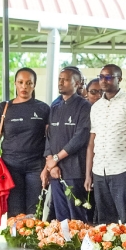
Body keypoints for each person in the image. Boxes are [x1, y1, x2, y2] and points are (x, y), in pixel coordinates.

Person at [84, 65, 126, 230]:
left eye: (109, 77)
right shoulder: (96, 107)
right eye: (101, 77)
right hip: (99, 171)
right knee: (104, 224)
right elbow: (92, 142)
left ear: (119, 79)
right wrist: (88, 174)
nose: (104, 80)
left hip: (123, 169)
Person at [0, 68, 49, 217]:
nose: (24, 86)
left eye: (28, 83)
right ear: (15, 84)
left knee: (35, 213)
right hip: (11, 167)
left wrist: (48, 166)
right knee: (15, 213)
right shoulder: (5, 107)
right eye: (20, 82)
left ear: (34, 85)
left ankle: (32, 241)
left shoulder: (43, 108)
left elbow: (50, 139)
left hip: (36, 167)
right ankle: (15, 241)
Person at [45, 67, 92, 222]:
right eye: (59, 79)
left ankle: (78, 246)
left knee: (77, 218)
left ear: (77, 83)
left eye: (65, 79)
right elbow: (49, 135)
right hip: (55, 171)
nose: (61, 82)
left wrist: (57, 158)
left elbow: (80, 137)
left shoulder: (84, 106)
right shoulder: (55, 106)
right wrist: (50, 162)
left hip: (75, 170)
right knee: (61, 217)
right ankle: (64, 245)